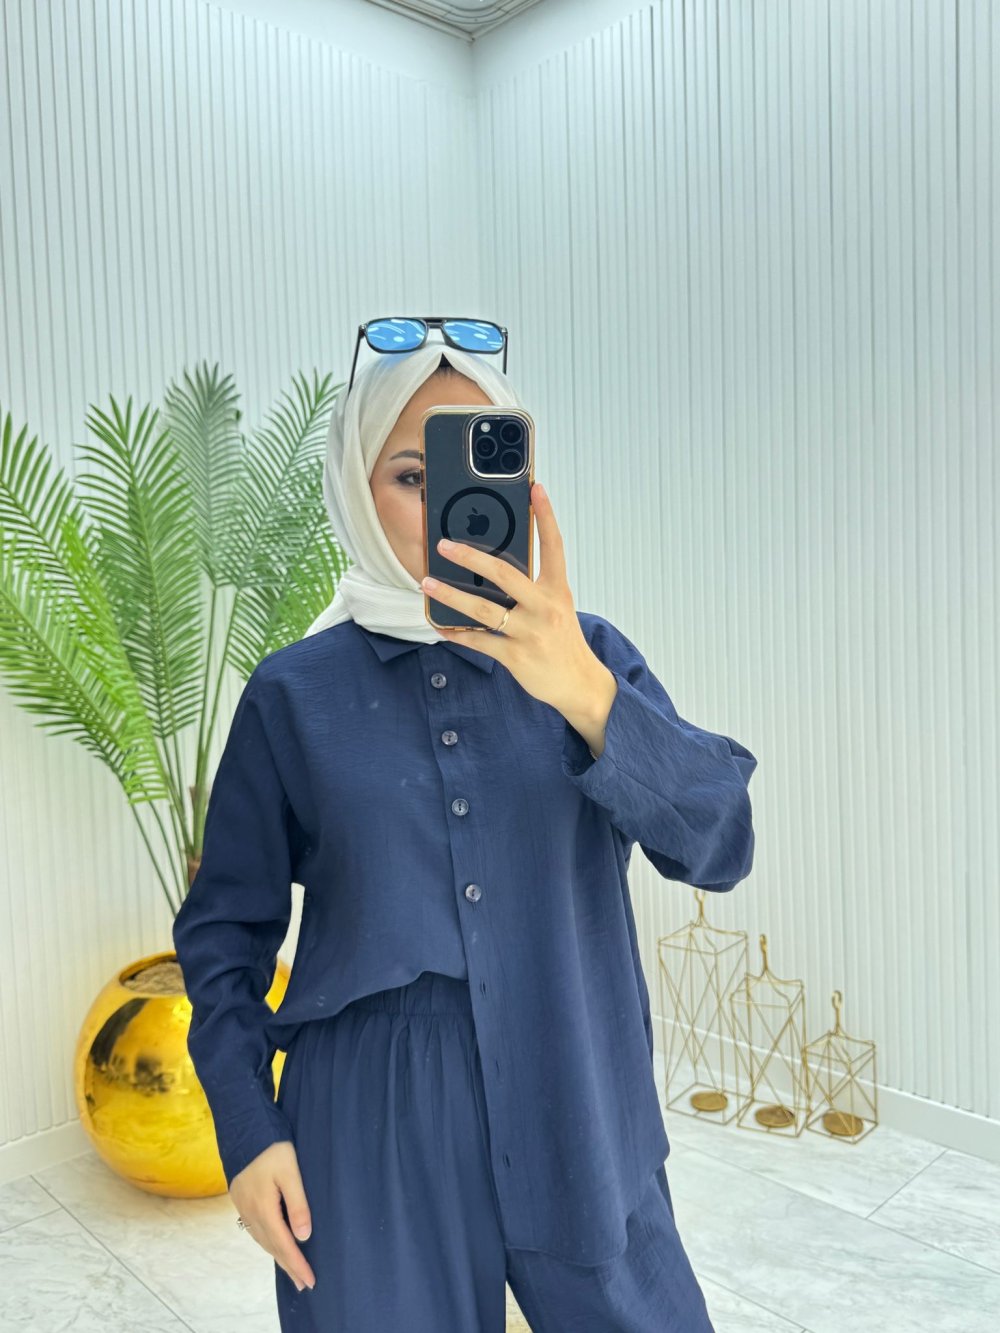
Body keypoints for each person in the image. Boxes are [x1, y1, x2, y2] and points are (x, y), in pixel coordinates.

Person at [172, 335, 758, 1331]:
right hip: (368, 1123)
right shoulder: (293, 694)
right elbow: (223, 933)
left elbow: (720, 843)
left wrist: (588, 696)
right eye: (412, 475)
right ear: (356, 493)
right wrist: (247, 1126)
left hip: (577, 1091)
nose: (453, 505)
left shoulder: (588, 659)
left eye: (487, 471)